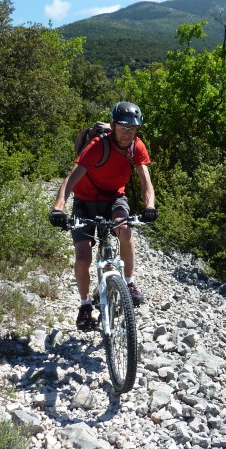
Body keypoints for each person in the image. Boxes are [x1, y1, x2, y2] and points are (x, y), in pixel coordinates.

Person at [49, 101, 158, 330]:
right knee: (83, 258)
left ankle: (128, 283)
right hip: (85, 202)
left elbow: (145, 180)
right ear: (113, 126)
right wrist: (58, 208)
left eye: (133, 129)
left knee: (124, 229)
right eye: (123, 128)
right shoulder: (98, 145)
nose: (128, 133)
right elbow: (71, 179)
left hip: (113, 199)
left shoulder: (136, 146)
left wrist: (149, 206)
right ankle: (85, 305)